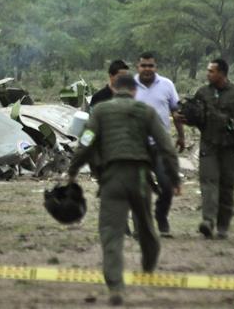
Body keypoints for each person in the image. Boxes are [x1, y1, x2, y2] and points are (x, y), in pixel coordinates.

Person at [67, 74, 180, 306]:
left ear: (112, 87)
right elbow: (166, 146)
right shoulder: (145, 111)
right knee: (147, 226)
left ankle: (116, 286)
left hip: (112, 177)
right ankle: (148, 267)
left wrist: (73, 169)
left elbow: (87, 140)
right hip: (139, 176)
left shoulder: (99, 111)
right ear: (135, 90)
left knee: (111, 232)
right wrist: (174, 176)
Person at [191, 59, 234, 239]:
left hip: (230, 147)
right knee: (208, 182)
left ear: (221, 73)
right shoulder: (203, 93)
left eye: (211, 71)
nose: (208, 74)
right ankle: (208, 221)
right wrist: (185, 116)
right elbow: (195, 116)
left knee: (227, 185)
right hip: (208, 144)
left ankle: (222, 226)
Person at [134, 52, 184, 237]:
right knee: (139, 189)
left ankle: (161, 216)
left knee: (167, 185)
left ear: (156, 67)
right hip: (138, 147)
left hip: (161, 146)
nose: (147, 69)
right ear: (137, 67)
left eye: (150, 66)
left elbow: (176, 111)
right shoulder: (131, 86)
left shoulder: (167, 85)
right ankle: (140, 228)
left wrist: (181, 136)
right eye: (144, 65)